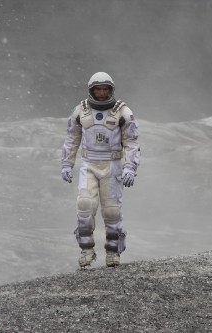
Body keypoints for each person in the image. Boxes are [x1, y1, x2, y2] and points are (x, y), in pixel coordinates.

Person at [61, 72, 140, 268]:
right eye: (98, 89)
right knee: (85, 205)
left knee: (112, 210)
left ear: (111, 90)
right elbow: (72, 139)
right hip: (89, 165)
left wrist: (130, 167)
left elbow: (131, 141)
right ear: (92, 90)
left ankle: (113, 253)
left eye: (105, 89)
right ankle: (86, 250)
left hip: (112, 166)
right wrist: (66, 164)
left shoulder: (123, 112)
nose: (102, 93)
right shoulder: (80, 111)